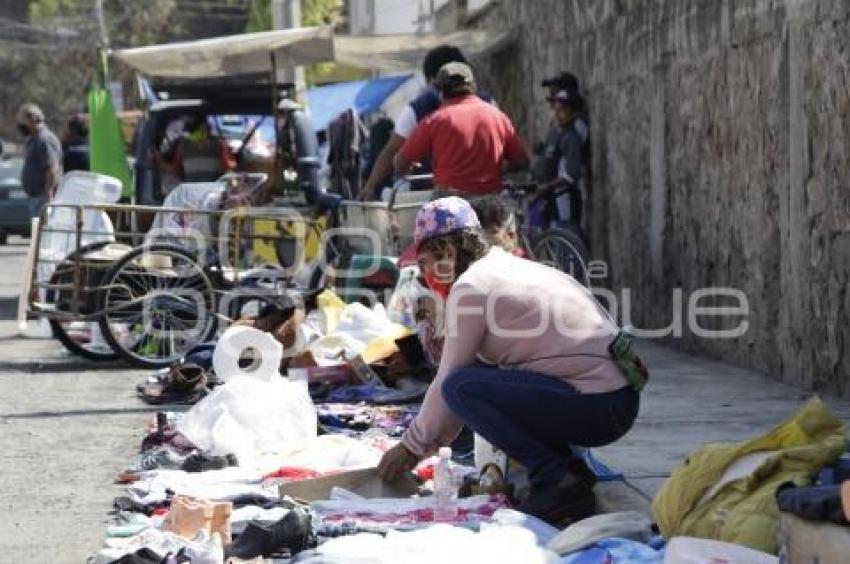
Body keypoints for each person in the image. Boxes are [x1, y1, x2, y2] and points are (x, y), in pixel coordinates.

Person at [377, 197, 644, 524]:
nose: (425, 276)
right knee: (473, 380)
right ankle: (569, 471)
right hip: (614, 401)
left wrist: (410, 447)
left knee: (462, 387)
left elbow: (450, 379)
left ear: (448, 252)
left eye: (426, 264)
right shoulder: (504, 268)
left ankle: (556, 479)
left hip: (602, 406)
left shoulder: (472, 287)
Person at [393, 63, 529, 197]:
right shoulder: (498, 116)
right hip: (490, 203)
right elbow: (522, 161)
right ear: (473, 86)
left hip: (450, 205)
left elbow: (400, 164)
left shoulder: (433, 121)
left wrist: (408, 166)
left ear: (441, 92)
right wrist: (498, 168)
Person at [358, 45, 471, 200]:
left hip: (438, 198)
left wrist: (371, 185)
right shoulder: (489, 107)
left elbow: (395, 155)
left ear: (432, 80)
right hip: (485, 196)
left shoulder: (426, 117)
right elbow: (514, 159)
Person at [532, 88, 586, 227]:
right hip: (552, 197)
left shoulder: (571, 138)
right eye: (555, 110)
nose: (557, 114)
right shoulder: (556, 133)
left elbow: (571, 174)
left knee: (565, 233)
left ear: (572, 113)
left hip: (564, 197)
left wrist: (546, 187)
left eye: (562, 110)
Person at [17, 103, 61, 218]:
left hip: (43, 198)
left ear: (33, 120)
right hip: (36, 198)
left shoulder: (44, 140)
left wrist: (48, 194)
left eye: (23, 121)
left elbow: (52, 168)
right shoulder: (34, 139)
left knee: (43, 231)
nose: (20, 125)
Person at [174, 116, 233, 183]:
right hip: (193, 189)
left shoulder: (219, 143)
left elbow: (230, 167)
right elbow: (176, 169)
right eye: (191, 131)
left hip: (213, 190)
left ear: (204, 127)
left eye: (195, 129)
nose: (192, 134)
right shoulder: (183, 145)